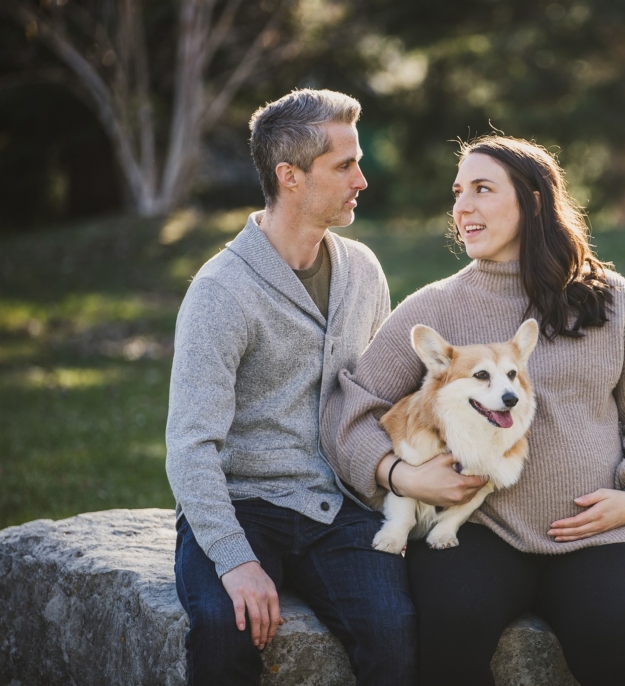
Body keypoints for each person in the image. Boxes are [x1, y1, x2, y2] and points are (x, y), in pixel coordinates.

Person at [322, 135, 625, 685]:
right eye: (458, 192)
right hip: (478, 531)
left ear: (533, 201)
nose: (462, 207)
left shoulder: (607, 299)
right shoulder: (434, 306)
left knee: (613, 638)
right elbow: (348, 413)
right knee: (449, 631)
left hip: (601, 535)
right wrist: (400, 475)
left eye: (482, 189)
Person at [165, 89, 419, 686]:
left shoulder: (362, 270)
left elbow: (376, 401)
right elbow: (190, 447)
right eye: (345, 165)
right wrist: (235, 561)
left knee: (396, 634)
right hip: (242, 502)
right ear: (290, 177)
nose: (362, 179)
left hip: (341, 505)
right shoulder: (220, 292)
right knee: (224, 626)